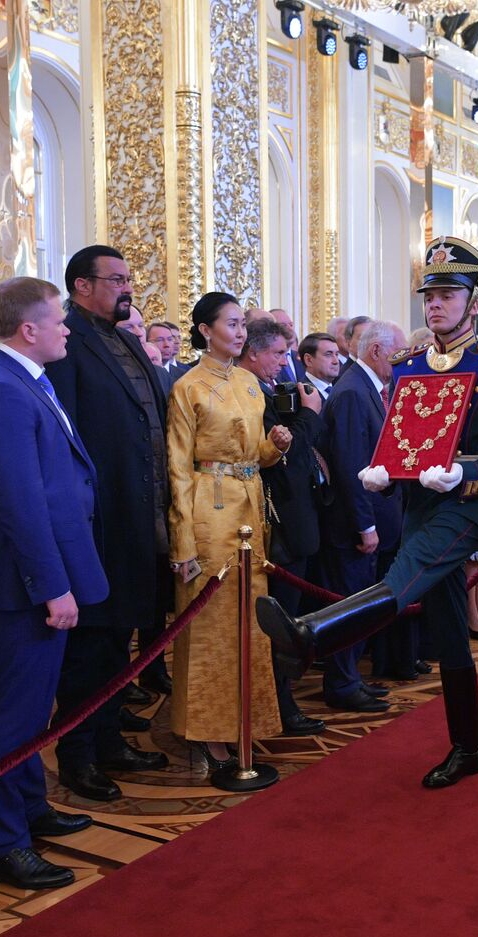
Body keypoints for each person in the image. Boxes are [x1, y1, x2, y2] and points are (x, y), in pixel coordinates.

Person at [257, 237, 478, 789]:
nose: (435, 304)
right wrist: (383, 469)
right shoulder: (409, 366)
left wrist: (464, 473)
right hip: (419, 508)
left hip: (467, 510)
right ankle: (467, 747)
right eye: (429, 294)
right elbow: (402, 436)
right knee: (450, 630)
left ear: (474, 300)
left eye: (449, 293)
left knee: (406, 575)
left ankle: (314, 634)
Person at [0, 276, 107, 890]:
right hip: (27, 577)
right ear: (29, 329)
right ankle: (1, 841)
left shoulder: (19, 378)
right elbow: (21, 504)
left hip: (45, 567)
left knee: (31, 706)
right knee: (14, 712)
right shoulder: (1, 390)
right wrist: (52, 585)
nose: (67, 328)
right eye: (59, 319)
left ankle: (27, 808)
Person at [46, 245, 170, 801]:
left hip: (137, 515)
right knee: (89, 648)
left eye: (128, 278)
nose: (127, 287)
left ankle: (111, 738)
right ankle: (78, 756)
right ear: (81, 286)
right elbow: (64, 439)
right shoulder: (67, 345)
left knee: (118, 638)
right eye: (116, 279)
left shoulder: (121, 339)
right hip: (98, 519)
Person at [168, 293, 291, 774]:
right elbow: (178, 467)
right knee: (210, 625)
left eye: (243, 325)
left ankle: (244, 723)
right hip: (207, 510)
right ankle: (205, 734)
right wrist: (182, 541)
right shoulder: (188, 388)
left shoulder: (249, 382)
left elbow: (254, 454)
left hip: (249, 508)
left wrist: (275, 447)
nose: (240, 333)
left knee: (249, 622)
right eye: (231, 324)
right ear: (205, 330)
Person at [239, 317, 333, 734]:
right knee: (279, 623)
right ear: (254, 352)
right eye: (278, 353)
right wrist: (309, 416)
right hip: (280, 526)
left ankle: (282, 698)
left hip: (294, 522)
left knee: (290, 621)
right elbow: (286, 461)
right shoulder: (249, 395)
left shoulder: (264, 389)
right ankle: (280, 704)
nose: (284, 362)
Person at [318, 320, 412, 691]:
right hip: (355, 527)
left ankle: (352, 678)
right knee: (350, 607)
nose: (403, 359)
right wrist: (365, 526)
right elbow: (350, 466)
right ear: (377, 351)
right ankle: (342, 684)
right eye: (398, 352)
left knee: (361, 606)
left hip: (372, 520)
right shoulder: (355, 393)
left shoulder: (367, 388)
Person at [299, 333, 339, 397]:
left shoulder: (341, 390)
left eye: (337, 354)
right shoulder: (300, 395)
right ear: (309, 360)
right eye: (328, 354)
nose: (336, 361)